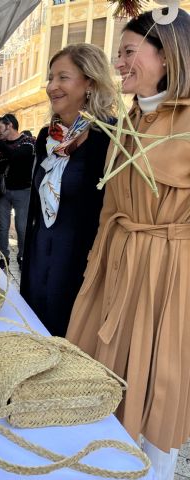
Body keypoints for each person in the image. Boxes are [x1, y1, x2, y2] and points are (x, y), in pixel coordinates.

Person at [66, 9, 190, 478]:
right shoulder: (128, 121)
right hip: (117, 262)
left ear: (168, 53)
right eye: (118, 54)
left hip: (170, 272)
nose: (118, 63)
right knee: (103, 373)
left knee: (161, 382)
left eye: (128, 52)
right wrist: (96, 267)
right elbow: (111, 205)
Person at [20, 43, 116, 338]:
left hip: (78, 264)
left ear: (90, 82)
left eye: (63, 77)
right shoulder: (46, 137)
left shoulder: (110, 137)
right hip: (38, 258)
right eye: (51, 78)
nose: (52, 86)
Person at [0, 113, 34, 269]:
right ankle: (4, 257)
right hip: (3, 192)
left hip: (22, 191)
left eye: (0, 127)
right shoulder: (0, 143)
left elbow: (16, 157)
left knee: (21, 226)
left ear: (9, 125)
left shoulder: (28, 142)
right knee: (2, 227)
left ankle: (22, 255)